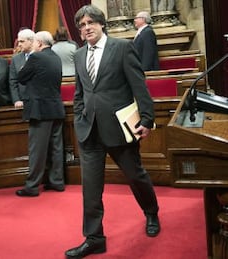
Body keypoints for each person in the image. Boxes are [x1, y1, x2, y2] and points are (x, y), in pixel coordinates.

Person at [65, 5, 160, 258]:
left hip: (119, 129)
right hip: (89, 131)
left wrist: (148, 119)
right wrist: (80, 117)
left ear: (101, 23)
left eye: (90, 23)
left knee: (135, 176)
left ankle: (151, 213)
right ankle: (94, 237)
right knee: (91, 189)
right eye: (82, 25)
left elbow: (139, 86)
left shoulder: (122, 48)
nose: (86, 28)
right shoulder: (79, 55)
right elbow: (80, 92)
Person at [15, 31, 65, 197]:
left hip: (40, 110)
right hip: (56, 108)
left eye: (35, 42)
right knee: (56, 148)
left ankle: (32, 186)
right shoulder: (56, 57)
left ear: (40, 43)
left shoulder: (36, 58)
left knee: (37, 149)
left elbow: (21, 77)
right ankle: (57, 181)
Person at [9, 28, 35, 109]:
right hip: (22, 102)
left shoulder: (40, 56)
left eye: (22, 41)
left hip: (39, 100)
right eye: (18, 41)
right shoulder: (15, 59)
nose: (19, 44)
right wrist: (16, 100)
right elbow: (13, 81)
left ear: (31, 41)